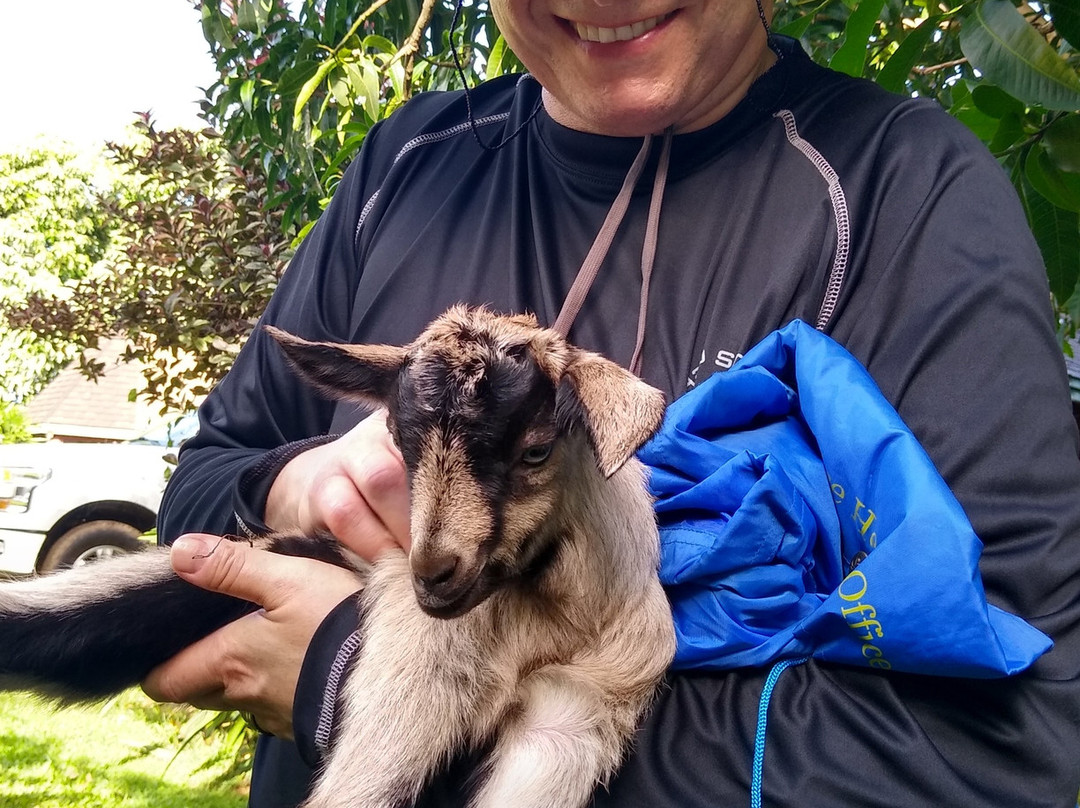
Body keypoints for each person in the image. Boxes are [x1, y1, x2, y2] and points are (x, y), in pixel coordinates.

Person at [144, 0, 1080, 804]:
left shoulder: (900, 188)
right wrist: (297, 487)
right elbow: (202, 490)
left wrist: (367, 681)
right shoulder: (407, 163)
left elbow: (1005, 737)